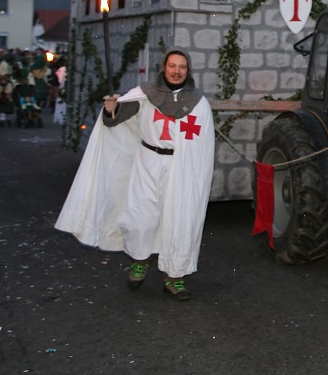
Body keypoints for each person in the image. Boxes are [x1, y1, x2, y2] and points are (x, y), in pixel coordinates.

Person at [55, 49, 216, 300]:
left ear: (188, 70)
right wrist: (110, 109)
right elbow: (114, 120)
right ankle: (141, 261)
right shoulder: (145, 95)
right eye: (172, 66)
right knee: (140, 217)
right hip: (148, 163)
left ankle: (174, 276)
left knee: (179, 219)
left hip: (181, 168)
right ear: (163, 67)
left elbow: (203, 145)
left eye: (182, 67)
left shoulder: (198, 103)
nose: (177, 71)